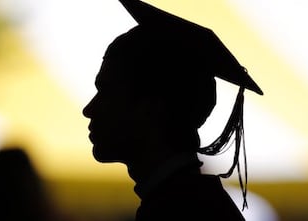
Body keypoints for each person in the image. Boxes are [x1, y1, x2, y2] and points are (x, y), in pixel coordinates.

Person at [82, 0, 263, 220]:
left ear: (152, 108)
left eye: (107, 92)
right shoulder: (194, 202)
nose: (88, 109)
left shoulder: (178, 211)